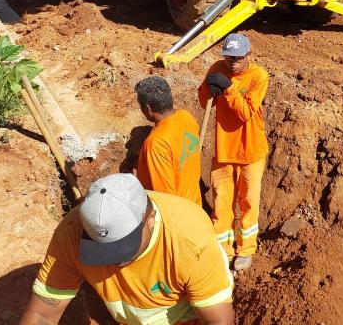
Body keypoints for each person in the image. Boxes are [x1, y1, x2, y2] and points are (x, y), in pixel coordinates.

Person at [19, 173, 235, 325]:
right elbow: (42, 316)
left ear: (149, 218)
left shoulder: (189, 239)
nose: (115, 260)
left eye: (123, 246)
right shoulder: (70, 233)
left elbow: (218, 320)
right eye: (100, 249)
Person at [197, 33, 269, 272]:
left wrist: (228, 88)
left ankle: (245, 249)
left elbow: (246, 113)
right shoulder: (217, 69)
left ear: (249, 54)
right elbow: (204, 102)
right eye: (229, 57)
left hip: (251, 152)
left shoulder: (258, 76)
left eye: (238, 57)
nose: (233, 62)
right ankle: (223, 250)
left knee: (248, 202)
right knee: (221, 203)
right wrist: (207, 88)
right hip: (224, 151)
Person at [134, 76, 202, 206]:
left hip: (178, 213)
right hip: (195, 207)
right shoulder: (186, 117)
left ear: (147, 108)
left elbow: (166, 198)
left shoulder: (156, 144)